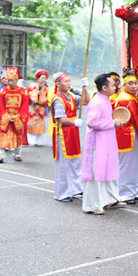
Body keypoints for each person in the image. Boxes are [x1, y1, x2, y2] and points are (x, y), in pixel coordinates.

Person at [81, 74, 125, 215]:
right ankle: (92, 205)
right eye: (112, 85)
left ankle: (110, 199)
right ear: (104, 87)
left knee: (109, 170)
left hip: (107, 141)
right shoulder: (96, 102)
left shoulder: (105, 100)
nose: (115, 87)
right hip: (97, 144)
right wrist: (113, 123)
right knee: (96, 173)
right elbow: (91, 122)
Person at [52, 73, 90, 202]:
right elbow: (61, 119)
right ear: (58, 84)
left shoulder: (72, 96)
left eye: (69, 81)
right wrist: (74, 122)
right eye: (66, 81)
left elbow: (86, 101)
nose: (69, 83)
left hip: (73, 133)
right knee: (63, 164)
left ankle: (76, 189)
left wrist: (85, 87)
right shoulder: (58, 99)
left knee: (75, 162)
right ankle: (61, 193)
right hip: (63, 134)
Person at [113, 75, 138, 204]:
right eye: (130, 83)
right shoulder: (128, 99)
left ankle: (131, 191)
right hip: (128, 134)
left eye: (136, 83)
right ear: (125, 85)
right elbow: (136, 121)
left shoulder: (127, 96)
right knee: (128, 164)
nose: (133, 86)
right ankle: (125, 194)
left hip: (124, 133)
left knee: (131, 164)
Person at [0, 67, 30, 163]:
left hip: (18, 118)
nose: (10, 82)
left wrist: (17, 117)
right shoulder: (3, 91)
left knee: (18, 136)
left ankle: (17, 154)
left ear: (17, 80)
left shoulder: (23, 92)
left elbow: (24, 106)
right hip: (6, 118)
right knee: (3, 136)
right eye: (9, 80)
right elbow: (1, 106)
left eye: (12, 80)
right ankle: (0, 156)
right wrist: (6, 117)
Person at [27, 69, 50, 147]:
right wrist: (36, 94)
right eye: (42, 78)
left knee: (40, 123)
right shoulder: (32, 87)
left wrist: (42, 99)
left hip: (41, 108)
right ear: (38, 78)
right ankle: (30, 140)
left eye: (44, 78)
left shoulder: (46, 89)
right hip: (32, 108)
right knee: (31, 122)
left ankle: (39, 141)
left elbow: (47, 99)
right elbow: (28, 96)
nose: (43, 79)